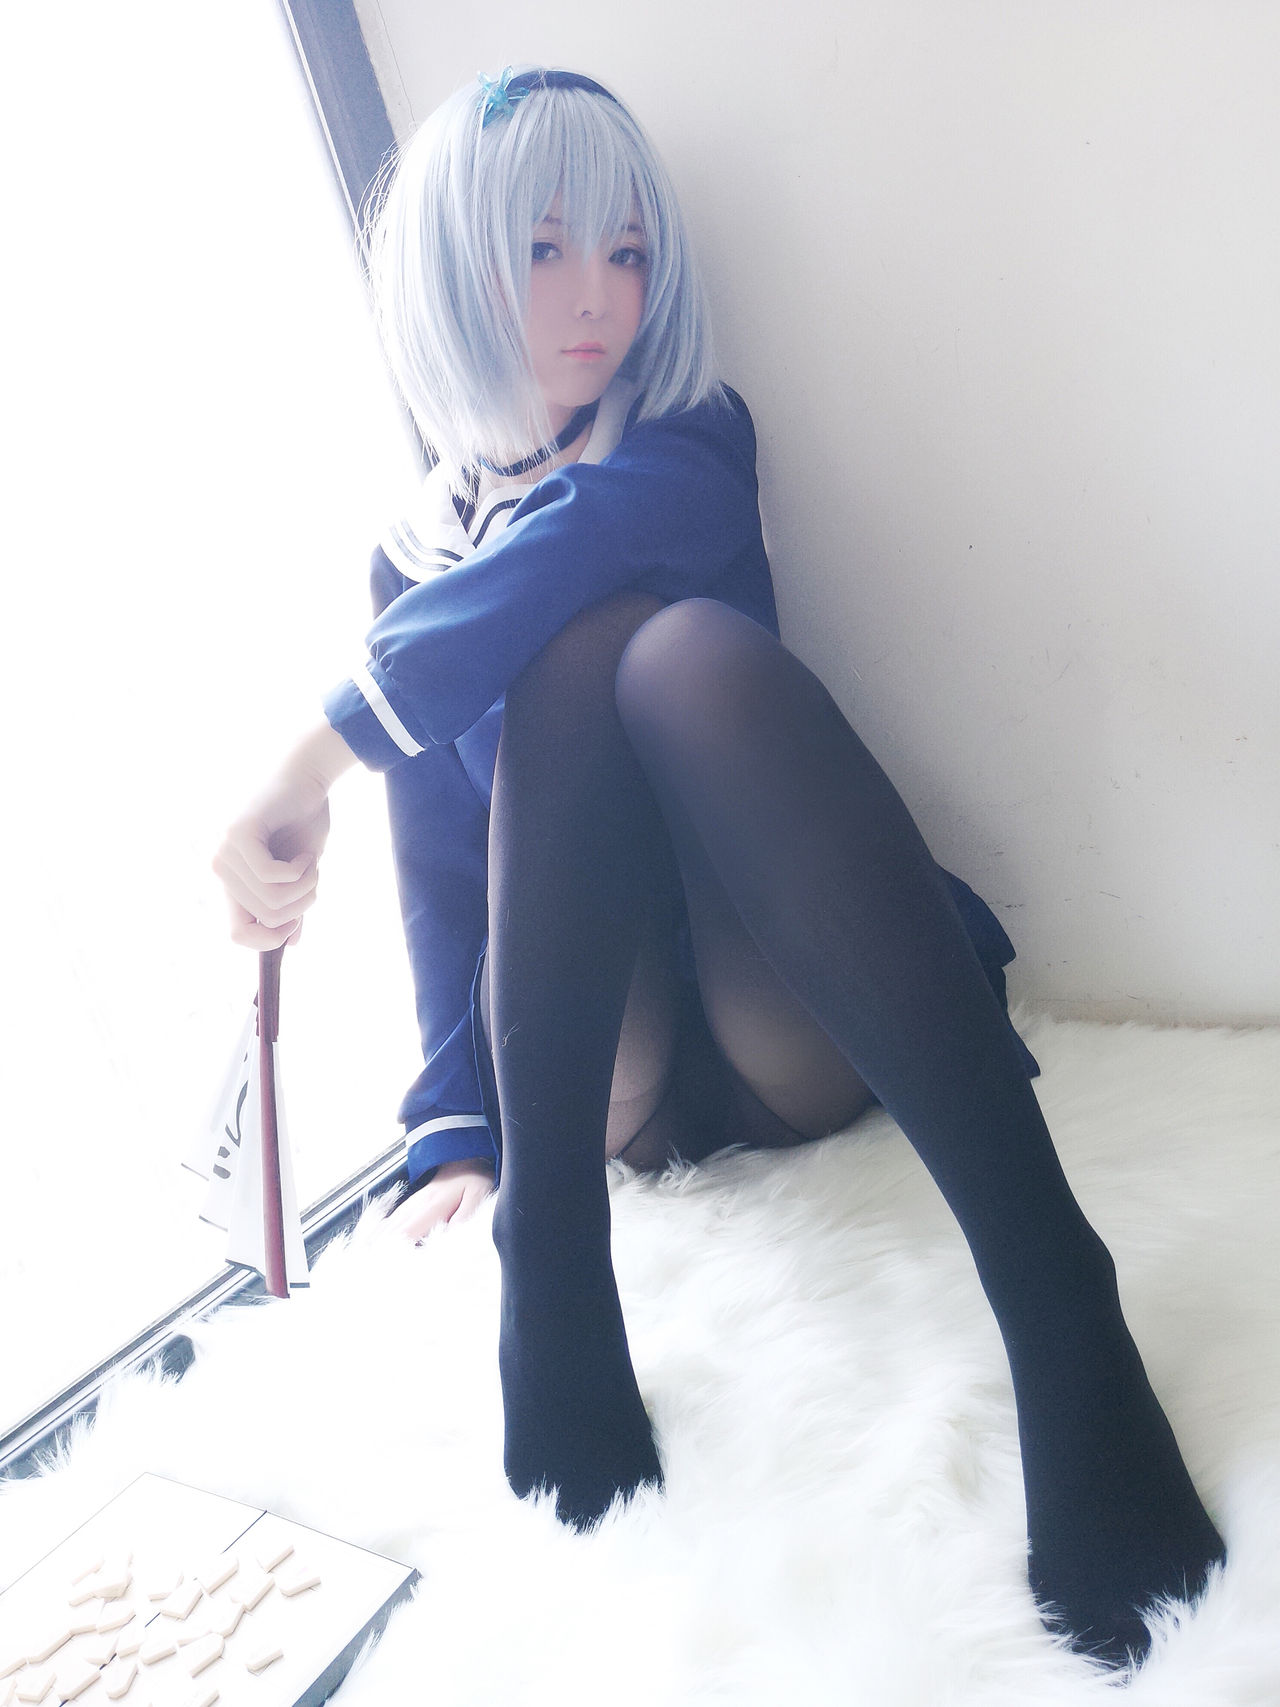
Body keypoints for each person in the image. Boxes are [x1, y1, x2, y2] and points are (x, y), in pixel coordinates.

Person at [214, 65, 1225, 1667]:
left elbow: (572, 545)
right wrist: (452, 1128)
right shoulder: (412, 555)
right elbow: (442, 872)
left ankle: (1056, 1294)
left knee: (645, 644)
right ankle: (552, 1258)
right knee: (550, 673)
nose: (597, 295)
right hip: (602, 1072)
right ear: (452, 273)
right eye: (544, 249)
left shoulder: (688, 442)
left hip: (786, 1016)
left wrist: (313, 751)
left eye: (627, 252)